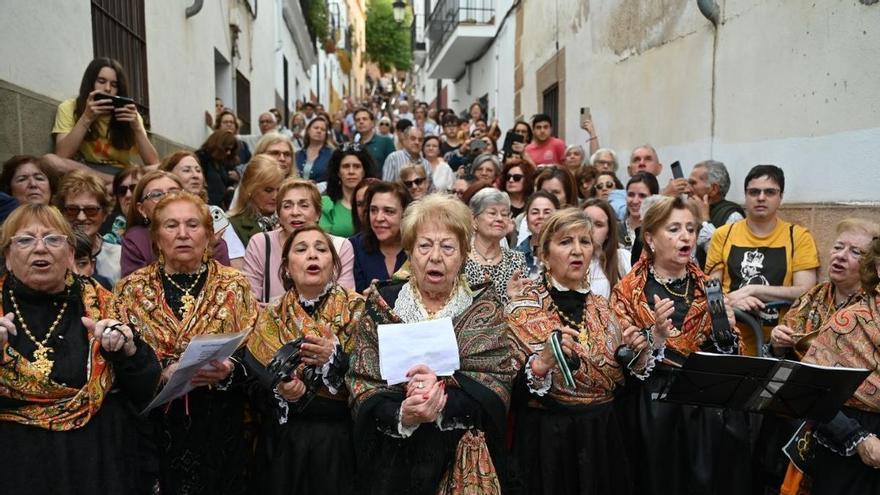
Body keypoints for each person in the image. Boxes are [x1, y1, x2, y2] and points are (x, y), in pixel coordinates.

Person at [346, 194, 515, 494]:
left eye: (448, 247)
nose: (435, 256)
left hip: (462, 461)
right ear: (409, 251)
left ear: (464, 254)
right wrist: (403, 413)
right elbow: (362, 382)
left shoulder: (483, 308)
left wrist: (442, 402)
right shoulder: (384, 304)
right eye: (424, 245)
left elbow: (497, 386)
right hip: (393, 462)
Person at [0, 204, 160, 493]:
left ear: (71, 254)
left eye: (53, 239)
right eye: (25, 240)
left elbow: (146, 389)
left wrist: (126, 350)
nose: (40, 249)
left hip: (97, 463)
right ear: (8, 257)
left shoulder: (104, 305)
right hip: (17, 464)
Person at [111, 192, 258, 494]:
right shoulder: (130, 289)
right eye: (171, 225)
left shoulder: (235, 284)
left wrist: (229, 368)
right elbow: (119, 360)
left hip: (220, 422)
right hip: (155, 426)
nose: (182, 234)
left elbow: (254, 348)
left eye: (192, 225)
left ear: (208, 234)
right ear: (156, 236)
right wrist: (161, 371)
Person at [610, 195, 747, 495]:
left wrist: (726, 332)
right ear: (651, 238)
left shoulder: (708, 286)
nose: (685, 236)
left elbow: (728, 354)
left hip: (706, 408)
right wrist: (655, 337)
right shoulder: (629, 291)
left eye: (690, 228)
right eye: (673, 229)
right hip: (654, 407)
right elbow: (623, 359)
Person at [506, 208, 640, 495]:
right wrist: (541, 364)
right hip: (547, 443)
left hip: (601, 438)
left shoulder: (605, 309)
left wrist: (641, 352)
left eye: (585, 241)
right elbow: (508, 392)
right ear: (544, 254)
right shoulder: (522, 310)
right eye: (565, 242)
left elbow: (620, 384)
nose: (577, 251)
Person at [244, 225, 364, 494]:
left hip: (339, 444)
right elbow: (251, 381)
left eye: (321, 249)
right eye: (302, 249)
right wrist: (280, 390)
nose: (313, 255)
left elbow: (373, 374)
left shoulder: (359, 310)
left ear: (334, 264)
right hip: (283, 445)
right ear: (286, 267)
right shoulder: (270, 315)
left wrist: (335, 359)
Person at [792, 236, 880, 494]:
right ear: (877, 267)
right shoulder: (849, 322)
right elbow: (808, 389)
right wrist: (860, 440)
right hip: (853, 450)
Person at [706, 164, 819, 354]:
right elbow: (711, 289)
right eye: (754, 192)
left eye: (770, 192)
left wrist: (753, 290)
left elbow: (806, 291)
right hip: (727, 342)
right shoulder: (723, 234)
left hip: (777, 346)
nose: (761, 197)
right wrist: (730, 301)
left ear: (780, 197)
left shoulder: (798, 236)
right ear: (745, 195)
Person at [45, 57, 159, 183]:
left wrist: (137, 128)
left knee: (160, 169)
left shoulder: (130, 114)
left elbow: (153, 162)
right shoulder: (70, 107)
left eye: (114, 84)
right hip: (86, 170)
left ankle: (113, 184)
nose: (108, 88)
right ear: (90, 83)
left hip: (121, 172)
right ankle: (114, 184)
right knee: (49, 161)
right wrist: (86, 118)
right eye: (101, 81)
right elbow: (62, 154)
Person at [244, 179, 356, 303]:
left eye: (304, 205)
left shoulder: (340, 246)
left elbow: (345, 304)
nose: (295, 212)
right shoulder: (261, 243)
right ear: (279, 215)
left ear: (318, 213)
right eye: (287, 206)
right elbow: (249, 303)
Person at [121, 170, 230, 278]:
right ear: (142, 209)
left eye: (174, 193)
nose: (166, 199)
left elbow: (224, 287)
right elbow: (134, 290)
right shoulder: (135, 240)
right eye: (157, 194)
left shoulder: (210, 239)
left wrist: (206, 249)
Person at [159, 151, 246, 266]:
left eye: (198, 170)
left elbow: (236, 259)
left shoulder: (213, 212)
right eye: (187, 170)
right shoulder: (158, 213)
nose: (195, 175)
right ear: (169, 175)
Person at [54, 170, 122, 286]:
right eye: (72, 210)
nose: (81, 217)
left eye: (91, 210)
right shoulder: (51, 253)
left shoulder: (120, 256)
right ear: (62, 213)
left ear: (105, 214)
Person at [465, 188, 527, 305]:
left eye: (504, 214)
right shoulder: (460, 259)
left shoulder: (517, 260)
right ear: (474, 220)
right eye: (492, 213)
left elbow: (523, 307)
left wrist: (515, 300)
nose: (499, 219)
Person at [350, 181, 411, 293]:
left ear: (405, 214)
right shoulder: (353, 247)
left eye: (388, 211)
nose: (378, 218)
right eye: (373, 210)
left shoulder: (418, 248)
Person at [686, 160, 745, 268]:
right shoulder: (689, 212)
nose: (687, 189)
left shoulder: (733, 216)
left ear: (713, 189)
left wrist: (705, 221)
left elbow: (726, 258)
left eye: (693, 183)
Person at [321, 145, 379, 238]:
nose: (351, 171)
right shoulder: (326, 203)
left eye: (357, 166)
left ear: (364, 171)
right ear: (338, 172)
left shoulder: (378, 202)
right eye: (345, 166)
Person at [227, 155, 285, 246]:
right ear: (250, 190)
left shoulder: (287, 222)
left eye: (279, 190)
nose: (275, 196)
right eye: (268, 190)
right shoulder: (232, 226)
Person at [583, 198, 632, 298]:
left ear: (608, 233)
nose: (590, 229)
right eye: (585, 222)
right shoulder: (568, 259)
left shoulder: (622, 258)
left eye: (598, 225)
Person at [514, 191, 561, 273]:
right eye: (535, 212)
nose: (541, 216)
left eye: (547, 212)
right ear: (527, 219)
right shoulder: (514, 256)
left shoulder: (566, 253)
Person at [619, 172, 659, 260]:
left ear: (654, 199)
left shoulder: (660, 233)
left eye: (642, 196)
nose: (635, 201)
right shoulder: (614, 230)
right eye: (631, 195)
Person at [100, 165, 143, 244]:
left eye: (134, 188)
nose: (128, 195)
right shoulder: (105, 227)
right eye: (122, 190)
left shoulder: (158, 225)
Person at [196, 129, 240, 208]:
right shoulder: (201, 159)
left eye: (231, 150)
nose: (228, 152)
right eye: (226, 149)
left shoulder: (223, 162)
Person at [354, 108, 396, 174]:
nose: (361, 122)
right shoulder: (355, 146)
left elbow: (394, 167)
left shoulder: (386, 142)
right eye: (357, 120)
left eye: (364, 119)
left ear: (372, 123)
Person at [295, 116, 334, 185]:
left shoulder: (332, 154)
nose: (319, 131)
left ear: (326, 134)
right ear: (308, 131)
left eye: (323, 129)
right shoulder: (298, 154)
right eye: (316, 128)